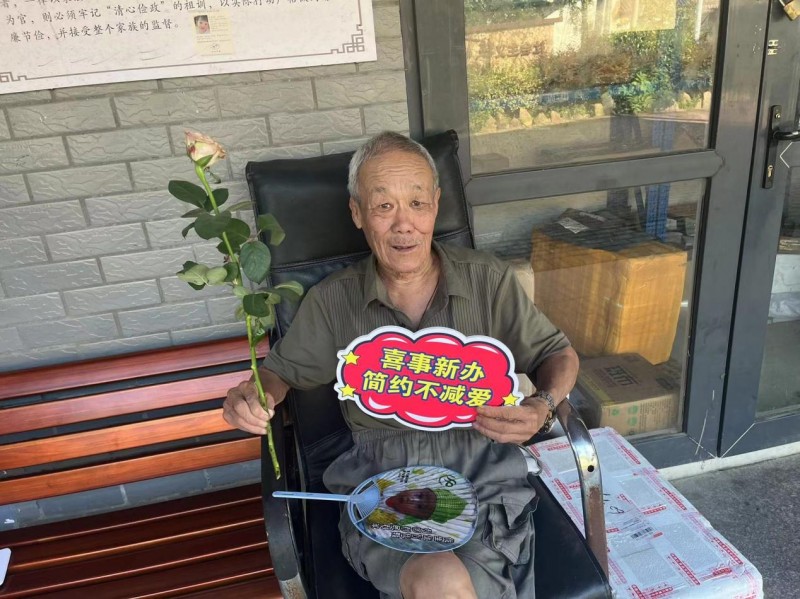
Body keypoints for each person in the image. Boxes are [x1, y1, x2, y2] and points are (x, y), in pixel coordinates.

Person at [223, 131, 579, 599]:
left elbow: (558, 354)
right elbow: (279, 374)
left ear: (436, 205)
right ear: (357, 213)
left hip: (481, 473)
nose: (404, 225)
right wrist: (255, 394)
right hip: (384, 486)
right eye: (384, 206)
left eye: (416, 203)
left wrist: (543, 405)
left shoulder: (487, 280)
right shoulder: (333, 301)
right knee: (441, 581)